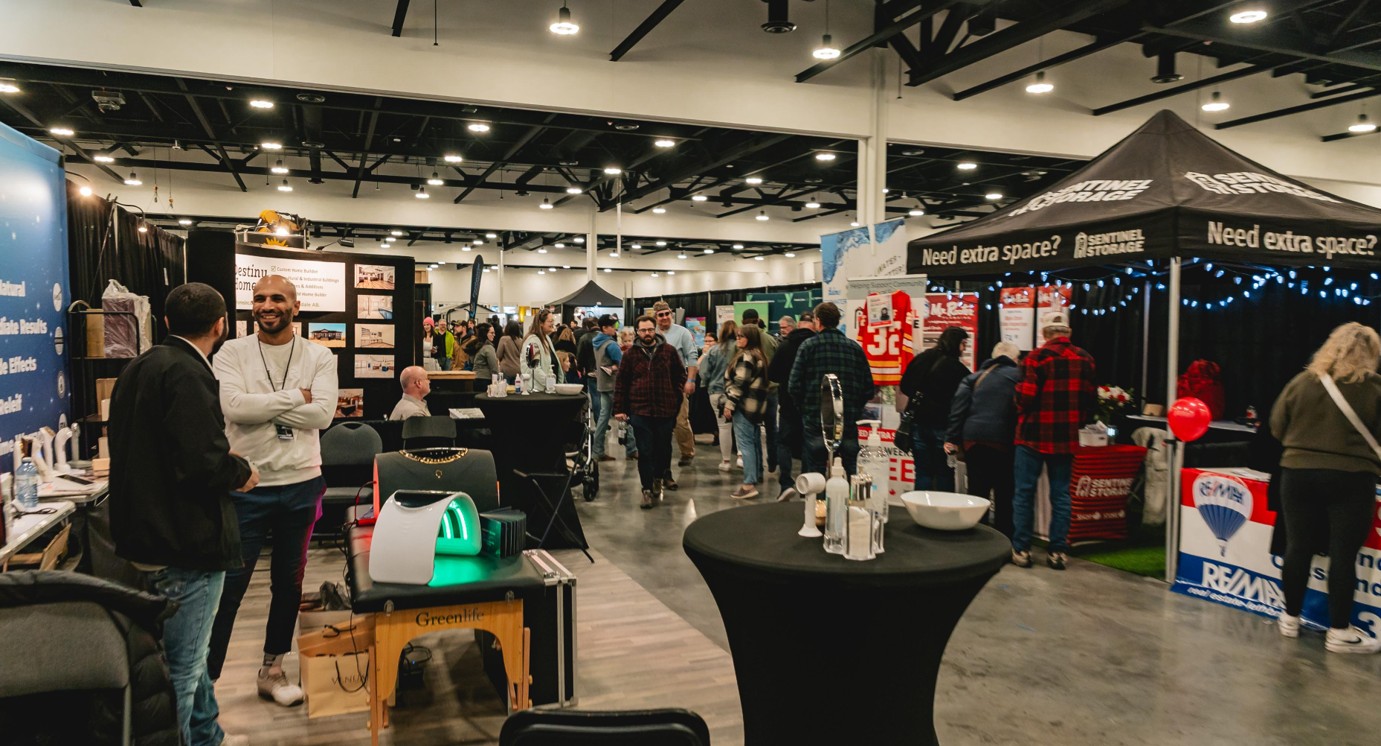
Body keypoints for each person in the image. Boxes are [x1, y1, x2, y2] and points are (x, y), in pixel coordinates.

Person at [108, 282, 258, 746]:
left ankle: (207, 736)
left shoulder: (140, 366)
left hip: (148, 536)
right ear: (221, 325)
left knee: (192, 658)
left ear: (167, 321)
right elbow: (202, 464)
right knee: (183, 670)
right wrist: (241, 472)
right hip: (185, 544)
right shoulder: (188, 373)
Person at [209, 274, 337, 706]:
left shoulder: (319, 355)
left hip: (302, 483)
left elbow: (322, 416)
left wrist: (261, 406)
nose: (268, 305)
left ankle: (273, 670)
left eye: (277, 298)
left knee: (289, 584)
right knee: (229, 586)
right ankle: (203, 685)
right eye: (260, 298)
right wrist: (297, 396)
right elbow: (233, 408)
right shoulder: (232, 351)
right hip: (246, 485)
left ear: (295, 307)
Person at [1271, 322, 1381, 653]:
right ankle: (1339, 631)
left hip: (1297, 474)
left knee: (1298, 547)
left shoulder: (1302, 381)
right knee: (1344, 555)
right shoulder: (1374, 388)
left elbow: (1276, 425)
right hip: (1352, 478)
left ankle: (1290, 619)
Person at [1010, 311, 1095, 571]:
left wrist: (1016, 400)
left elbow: (1025, 397)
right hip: (1065, 437)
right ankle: (1058, 552)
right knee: (1061, 495)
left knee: (1024, 493)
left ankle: (1022, 549)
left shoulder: (1035, 358)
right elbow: (1089, 401)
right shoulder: (1086, 359)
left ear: (1045, 333)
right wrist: (1076, 423)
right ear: (1068, 333)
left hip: (1032, 435)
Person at [945, 341, 1023, 538]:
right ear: (1015, 359)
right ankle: (1004, 538)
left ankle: (979, 538)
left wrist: (951, 438)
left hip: (974, 440)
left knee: (978, 492)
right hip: (1004, 441)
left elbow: (958, 410)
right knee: (1005, 492)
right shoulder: (1020, 377)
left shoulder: (974, 378)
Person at [788, 302, 875, 475]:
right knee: (851, 469)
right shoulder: (855, 348)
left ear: (818, 321)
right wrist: (854, 409)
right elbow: (868, 388)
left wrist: (806, 409)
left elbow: (794, 385)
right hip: (848, 420)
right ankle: (851, 494)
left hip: (816, 420)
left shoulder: (808, 347)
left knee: (816, 472)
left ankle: (819, 494)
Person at [614, 314, 686, 509]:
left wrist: (675, 395)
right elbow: (621, 382)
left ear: (656, 330)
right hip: (640, 410)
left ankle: (658, 478)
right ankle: (645, 489)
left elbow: (680, 374)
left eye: (650, 329)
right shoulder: (630, 355)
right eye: (643, 330)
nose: (647, 333)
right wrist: (619, 408)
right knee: (644, 451)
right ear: (637, 332)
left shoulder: (669, 351)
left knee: (663, 449)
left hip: (665, 409)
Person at [898, 326, 971, 491]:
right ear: (955, 343)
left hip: (918, 423)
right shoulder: (957, 368)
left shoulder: (922, 358)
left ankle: (920, 506)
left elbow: (905, 386)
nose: (964, 349)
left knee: (922, 472)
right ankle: (943, 507)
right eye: (963, 344)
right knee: (944, 472)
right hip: (944, 427)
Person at [723, 323, 771, 499]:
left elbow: (740, 383)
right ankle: (755, 475)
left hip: (744, 407)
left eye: (741, 336)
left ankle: (748, 485)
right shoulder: (759, 355)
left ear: (750, 338)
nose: (737, 339)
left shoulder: (746, 357)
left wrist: (729, 404)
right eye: (737, 336)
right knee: (754, 442)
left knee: (746, 444)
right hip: (756, 407)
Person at [770, 311, 815, 490]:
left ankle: (786, 482)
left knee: (784, 442)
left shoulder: (785, 346)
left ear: (797, 325)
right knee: (808, 443)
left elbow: (772, 374)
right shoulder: (816, 345)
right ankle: (806, 485)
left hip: (787, 401)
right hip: (811, 403)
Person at [653, 300, 698, 474]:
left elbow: (692, 357)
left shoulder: (682, 333)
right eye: (661, 315)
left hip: (677, 384)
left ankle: (687, 452)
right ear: (656, 317)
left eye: (667, 314)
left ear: (671, 314)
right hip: (655, 385)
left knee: (681, 421)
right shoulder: (651, 333)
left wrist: (690, 380)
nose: (665, 317)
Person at [742, 309, 778, 476]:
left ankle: (758, 469)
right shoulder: (770, 339)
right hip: (771, 389)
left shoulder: (744, 340)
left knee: (753, 431)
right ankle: (773, 461)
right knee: (771, 428)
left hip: (752, 393)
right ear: (758, 320)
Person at [703, 320, 738, 472]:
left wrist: (706, 383)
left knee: (723, 427)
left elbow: (704, 372)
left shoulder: (714, 350)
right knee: (740, 426)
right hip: (737, 391)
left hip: (716, 392)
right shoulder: (740, 348)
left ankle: (726, 461)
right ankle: (742, 457)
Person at [522, 308, 562, 390]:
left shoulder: (547, 338)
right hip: (537, 391)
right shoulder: (532, 340)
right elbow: (534, 369)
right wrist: (550, 384)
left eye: (553, 321)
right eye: (550, 321)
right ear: (541, 323)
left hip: (548, 389)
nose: (553, 323)